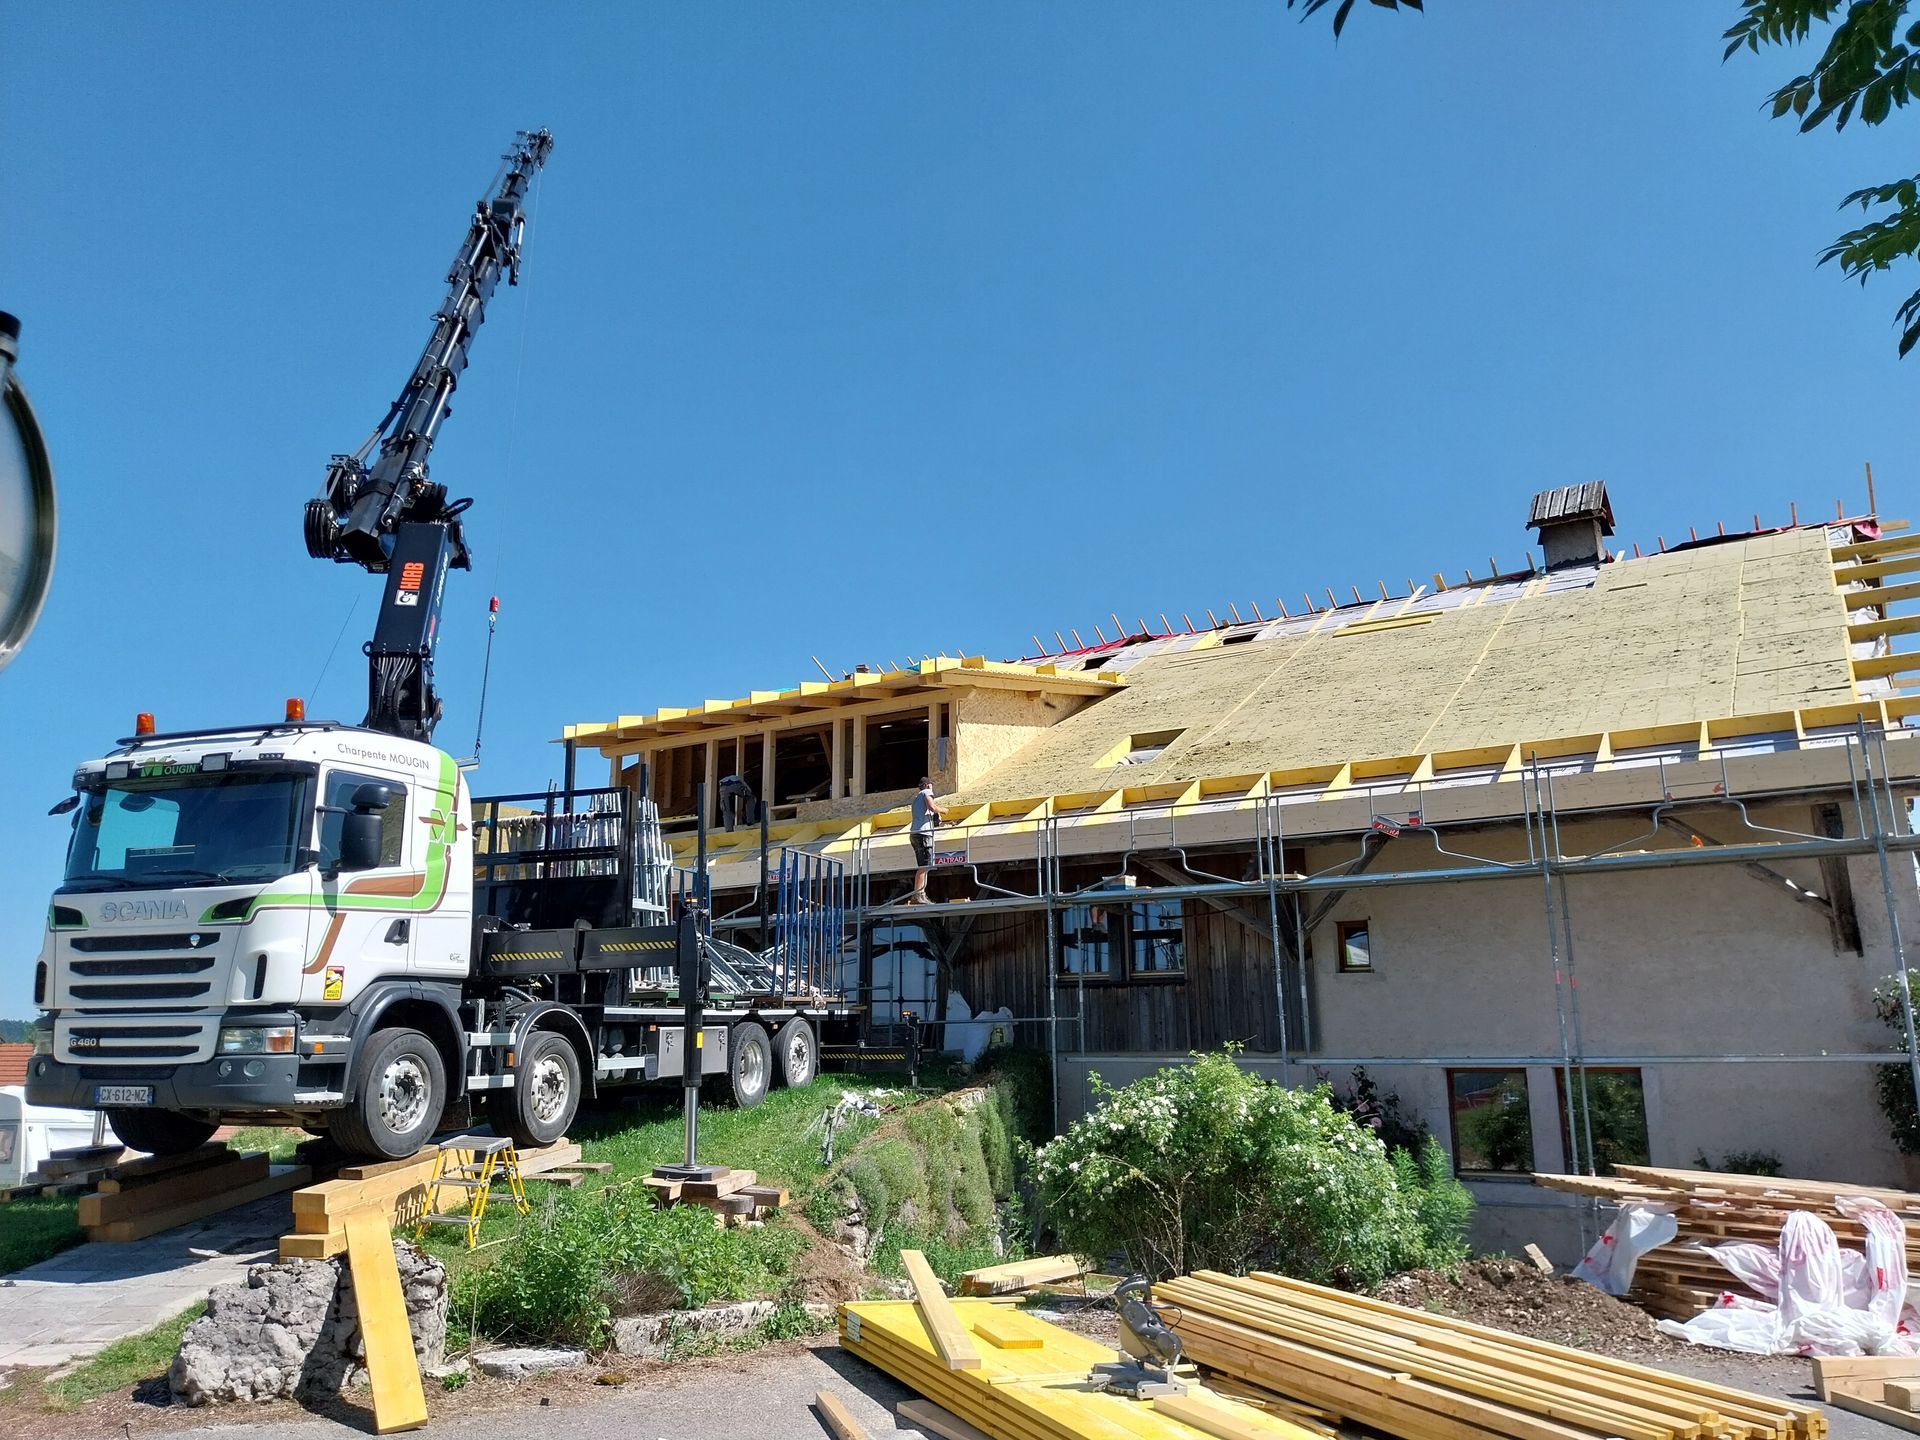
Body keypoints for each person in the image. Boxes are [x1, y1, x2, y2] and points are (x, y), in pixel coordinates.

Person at [907, 775, 945, 904]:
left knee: (923, 865)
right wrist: (942, 810)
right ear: (928, 785)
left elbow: (926, 813)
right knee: (925, 865)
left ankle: (920, 894)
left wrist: (935, 817)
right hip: (924, 834)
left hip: (915, 833)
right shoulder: (926, 792)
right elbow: (932, 807)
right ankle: (918, 895)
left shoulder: (916, 798)